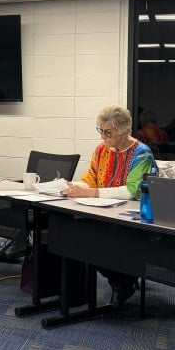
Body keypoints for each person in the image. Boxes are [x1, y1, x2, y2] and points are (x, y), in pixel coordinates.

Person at [64, 104, 157, 308]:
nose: (102, 137)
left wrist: (91, 192)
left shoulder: (141, 154)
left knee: (95, 238)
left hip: (133, 219)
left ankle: (121, 282)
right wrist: (75, 187)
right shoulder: (101, 150)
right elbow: (91, 178)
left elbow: (132, 191)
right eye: (101, 130)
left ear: (124, 132)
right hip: (104, 213)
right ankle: (118, 282)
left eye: (108, 132)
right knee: (73, 233)